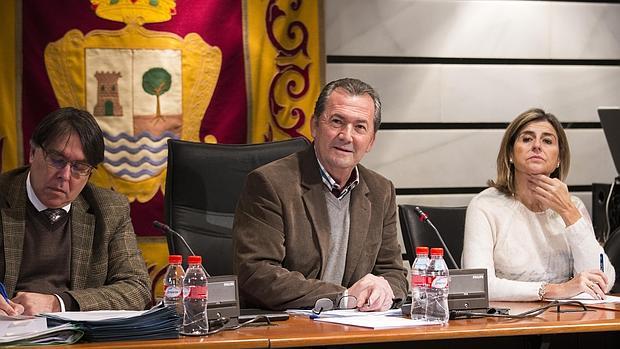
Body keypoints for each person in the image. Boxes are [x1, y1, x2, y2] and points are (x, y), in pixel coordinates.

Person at [233, 78, 408, 311]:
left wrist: (384, 290)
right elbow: (256, 272)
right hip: (289, 329)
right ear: (315, 126)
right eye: (337, 122)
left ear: (371, 141)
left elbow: (394, 272)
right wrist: (343, 297)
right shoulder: (270, 183)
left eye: (360, 127)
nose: (347, 135)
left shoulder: (380, 191)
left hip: (358, 327)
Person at [0, 107, 151, 316]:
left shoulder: (109, 209)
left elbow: (136, 288)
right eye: (56, 159)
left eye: (79, 167)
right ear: (33, 153)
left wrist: (58, 303)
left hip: (76, 339)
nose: (65, 175)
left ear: (89, 173)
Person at [462, 108, 615, 301]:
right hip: (505, 324)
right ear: (510, 153)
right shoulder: (485, 206)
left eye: (547, 140)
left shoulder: (572, 205)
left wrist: (569, 212)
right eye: (527, 139)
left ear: (559, 158)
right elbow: (478, 285)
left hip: (567, 321)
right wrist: (555, 290)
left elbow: (604, 281)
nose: (537, 146)